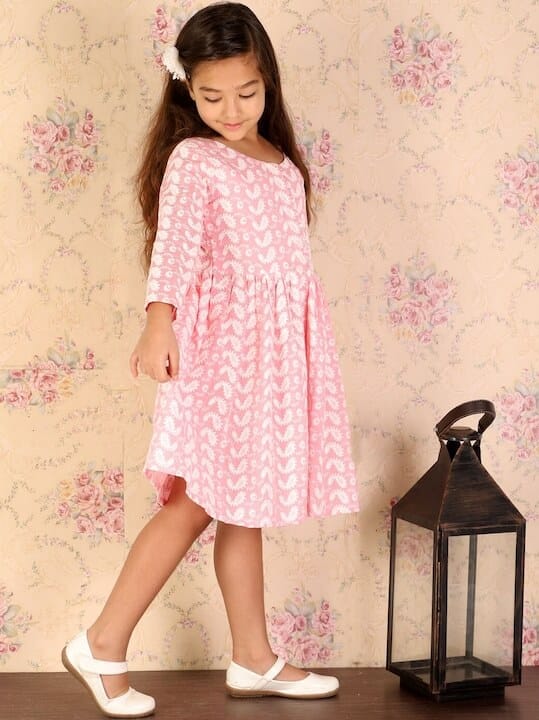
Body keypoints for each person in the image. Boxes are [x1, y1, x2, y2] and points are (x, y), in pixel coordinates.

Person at [61, 2, 359, 717]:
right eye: (211, 96)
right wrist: (158, 323)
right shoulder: (195, 160)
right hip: (220, 360)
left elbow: (287, 281)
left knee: (242, 507)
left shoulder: (282, 166)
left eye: (246, 93)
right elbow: (174, 248)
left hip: (269, 364)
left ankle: (253, 657)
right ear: (187, 90)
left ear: (268, 84)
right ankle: (101, 642)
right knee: (196, 502)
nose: (230, 110)